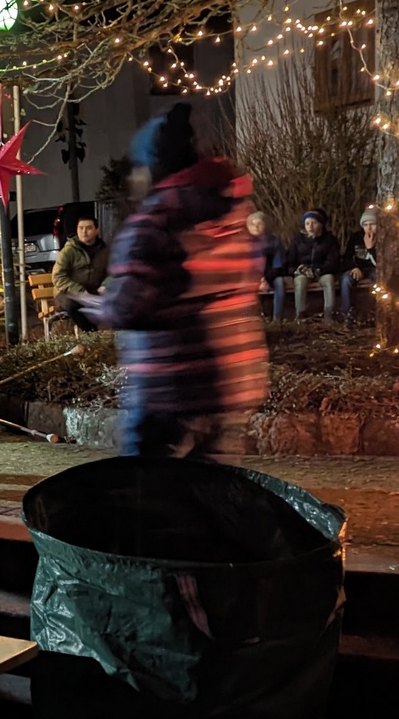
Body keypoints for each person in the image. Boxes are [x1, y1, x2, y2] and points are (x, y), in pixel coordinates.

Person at [80, 103, 269, 458]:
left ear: (153, 167)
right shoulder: (234, 214)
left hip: (167, 388)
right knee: (213, 491)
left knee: (147, 494)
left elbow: (128, 306)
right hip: (233, 382)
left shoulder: (155, 222)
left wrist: (94, 306)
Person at [52, 217, 110, 330]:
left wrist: (106, 284)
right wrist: (79, 290)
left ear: (96, 230)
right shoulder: (69, 250)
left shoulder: (104, 250)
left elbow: (114, 270)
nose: (84, 231)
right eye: (81, 228)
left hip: (95, 291)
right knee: (73, 305)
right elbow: (58, 276)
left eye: (88, 228)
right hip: (67, 292)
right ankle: (91, 334)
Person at [289, 209, 343, 320]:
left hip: (322, 271)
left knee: (329, 280)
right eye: (307, 223)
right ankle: (300, 314)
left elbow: (333, 261)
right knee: (300, 281)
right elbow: (290, 260)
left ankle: (329, 314)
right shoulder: (298, 240)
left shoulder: (330, 240)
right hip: (303, 271)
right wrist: (298, 270)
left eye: (314, 223)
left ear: (321, 224)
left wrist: (319, 270)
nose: (310, 226)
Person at [251, 212, 294, 323]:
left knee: (279, 283)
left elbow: (278, 265)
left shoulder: (274, 242)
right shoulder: (247, 244)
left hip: (271, 275)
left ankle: (277, 319)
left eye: (259, 224)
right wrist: (259, 279)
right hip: (254, 276)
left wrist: (266, 279)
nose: (256, 227)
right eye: (253, 224)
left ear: (265, 225)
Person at [341, 206, 380, 317]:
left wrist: (371, 248)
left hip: (375, 268)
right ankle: (347, 312)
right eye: (365, 225)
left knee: (379, 280)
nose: (369, 228)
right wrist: (354, 267)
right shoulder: (356, 237)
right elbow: (347, 257)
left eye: (372, 224)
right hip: (359, 268)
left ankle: (376, 310)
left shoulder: (382, 237)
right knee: (346, 279)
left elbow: (381, 263)